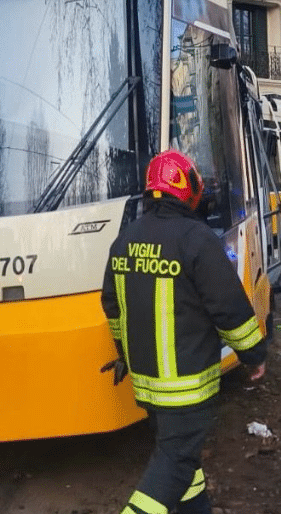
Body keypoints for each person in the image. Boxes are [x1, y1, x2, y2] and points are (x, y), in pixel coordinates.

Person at [101, 150, 267, 514]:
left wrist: (124, 353)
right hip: (187, 389)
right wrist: (254, 356)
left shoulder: (125, 240)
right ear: (187, 188)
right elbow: (230, 309)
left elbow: (112, 308)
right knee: (174, 463)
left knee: (182, 461)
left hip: (147, 385)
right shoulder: (197, 238)